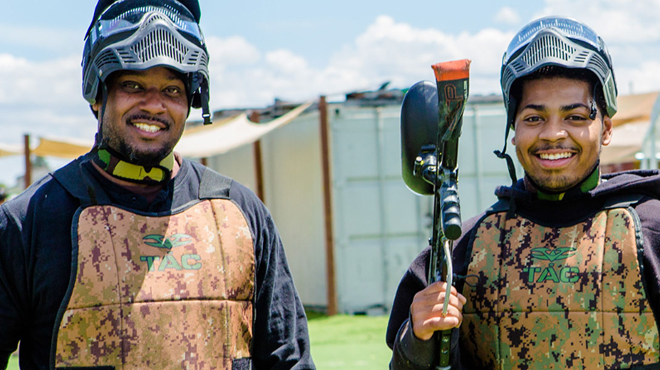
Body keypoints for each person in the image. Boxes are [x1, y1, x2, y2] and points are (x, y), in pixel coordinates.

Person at [0, 0, 315, 369]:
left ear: (192, 102)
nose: (154, 105)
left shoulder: (239, 214)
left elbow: (288, 359)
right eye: (133, 84)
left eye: (172, 90)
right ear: (98, 95)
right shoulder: (28, 222)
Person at [387, 16, 660, 369]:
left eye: (575, 116)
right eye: (533, 118)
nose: (553, 134)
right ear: (512, 131)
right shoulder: (463, 251)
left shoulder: (651, 231)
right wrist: (419, 340)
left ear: (605, 127)